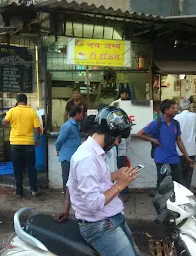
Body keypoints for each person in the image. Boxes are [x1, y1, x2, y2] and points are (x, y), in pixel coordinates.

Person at [55, 106, 141, 256]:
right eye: (117, 138)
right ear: (108, 134)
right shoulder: (87, 158)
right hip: (99, 226)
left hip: (112, 217)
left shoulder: (95, 152)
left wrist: (117, 175)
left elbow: (89, 181)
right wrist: (120, 185)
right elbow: (92, 204)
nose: (116, 143)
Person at [137, 99, 195, 187]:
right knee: (162, 183)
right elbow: (140, 134)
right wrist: (153, 140)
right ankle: (161, 200)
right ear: (166, 110)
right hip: (161, 159)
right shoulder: (157, 123)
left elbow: (179, 141)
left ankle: (177, 200)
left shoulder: (176, 123)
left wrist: (187, 157)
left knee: (178, 183)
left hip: (174, 158)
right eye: (173, 108)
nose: (175, 110)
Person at [2, 94, 41, 197]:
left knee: (17, 167)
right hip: (29, 143)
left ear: (17, 101)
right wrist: (37, 139)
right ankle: (34, 190)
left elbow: (4, 123)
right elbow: (37, 128)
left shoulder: (12, 111)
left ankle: (19, 191)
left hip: (15, 143)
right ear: (26, 101)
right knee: (31, 166)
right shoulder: (32, 111)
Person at [55, 105, 84, 193]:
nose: (83, 116)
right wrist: (57, 149)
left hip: (75, 156)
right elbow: (60, 140)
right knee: (67, 178)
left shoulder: (76, 125)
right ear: (77, 114)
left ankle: (73, 197)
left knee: (75, 178)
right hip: (67, 157)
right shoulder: (68, 126)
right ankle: (67, 199)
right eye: (81, 114)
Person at [110, 89, 131, 201]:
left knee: (122, 171)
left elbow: (127, 138)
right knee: (114, 172)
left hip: (121, 151)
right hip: (113, 151)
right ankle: (116, 193)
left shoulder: (124, 124)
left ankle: (123, 192)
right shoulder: (115, 103)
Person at [174, 99, 196, 189]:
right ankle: (186, 193)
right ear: (189, 106)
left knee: (179, 175)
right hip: (191, 150)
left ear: (180, 107)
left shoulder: (176, 117)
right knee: (188, 175)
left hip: (179, 150)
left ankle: (179, 193)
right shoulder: (194, 116)